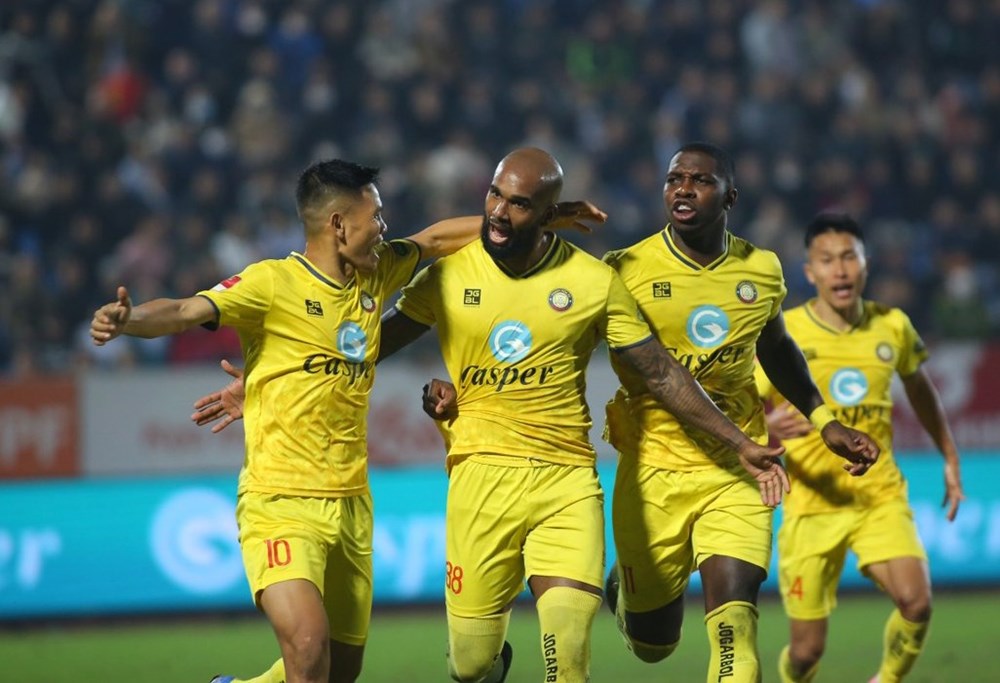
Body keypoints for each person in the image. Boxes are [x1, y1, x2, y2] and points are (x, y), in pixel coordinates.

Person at [194, 147, 790, 683]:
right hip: (480, 481)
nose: (499, 212)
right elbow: (367, 342)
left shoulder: (593, 281)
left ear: (547, 213)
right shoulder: (451, 275)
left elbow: (659, 370)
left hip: (565, 481)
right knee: (471, 662)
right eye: (494, 195)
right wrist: (273, 374)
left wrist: (740, 443)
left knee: (568, 655)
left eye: (519, 204)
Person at [89, 158, 548, 683]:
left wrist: (534, 219)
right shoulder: (271, 283)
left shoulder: (377, 273)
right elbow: (184, 311)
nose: (384, 228)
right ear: (338, 225)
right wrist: (129, 321)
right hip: (280, 502)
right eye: (375, 217)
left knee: (338, 672)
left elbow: (437, 240)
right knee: (308, 648)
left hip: (352, 505)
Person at [601, 142, 881, 683]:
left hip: (740, 467)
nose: (683, 189)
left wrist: (824, 421)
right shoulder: (625, 269)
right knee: (654, 644)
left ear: (731, 196)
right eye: (674, 179)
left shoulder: (762, 269)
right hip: (653, 469)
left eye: (700, 180)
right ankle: (627, 593)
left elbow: (776, 348)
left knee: (735, 626)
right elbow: (633, 365)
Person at [754, 212, 964, 683]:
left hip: (878, 496)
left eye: (849, 257)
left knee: (917, 603)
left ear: (866, 264)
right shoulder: (783, 333)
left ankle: (885, 679)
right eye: (828, 260)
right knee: (806, 653)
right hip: (811, 505)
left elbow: (921, 390)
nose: (841, 270)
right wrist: (766, 424)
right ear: (810, 272)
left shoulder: (892, 325)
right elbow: (740, 402)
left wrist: (949, 457)